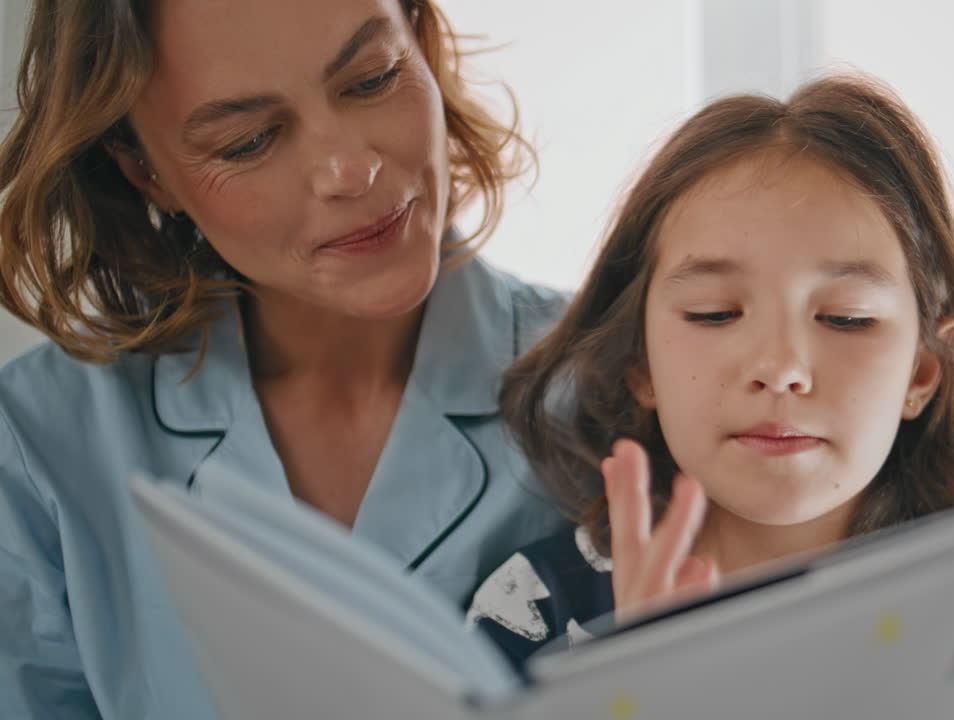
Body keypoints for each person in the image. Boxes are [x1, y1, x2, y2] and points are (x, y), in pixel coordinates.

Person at [0, 1, 568, 717]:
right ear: (148, 175)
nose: (351, 170)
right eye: (249, 141)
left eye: (373, 78)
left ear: (421, 41)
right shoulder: (33, 446)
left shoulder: (630, 385)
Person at [466, 71, 954, 665]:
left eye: (846, 318)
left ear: (920, 374)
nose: (780, 368)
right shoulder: (533, 609)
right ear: (640, 363)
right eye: (714, 314)